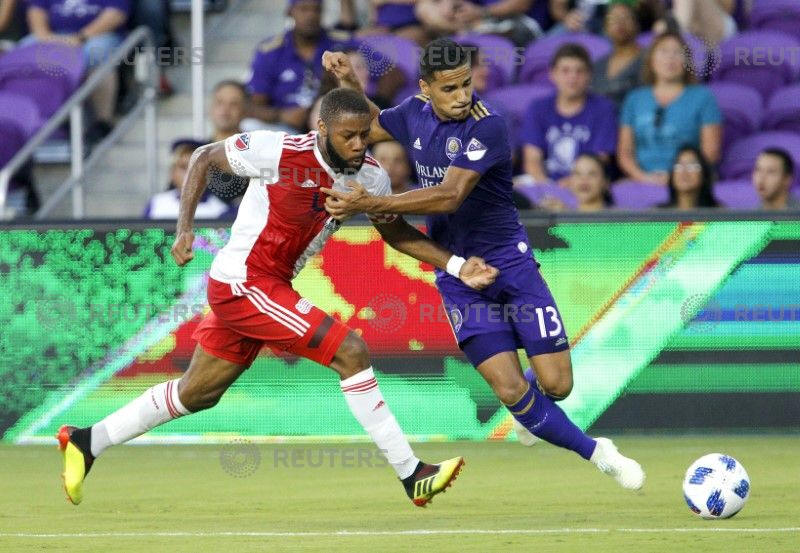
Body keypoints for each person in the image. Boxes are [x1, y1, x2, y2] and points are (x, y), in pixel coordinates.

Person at [57, 88, 502, 507]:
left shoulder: (370, 177)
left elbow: (397, 234)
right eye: (348, 136)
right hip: (243, 281)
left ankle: (86, 441)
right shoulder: (278, 151)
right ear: (323, 129)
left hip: (268, 287)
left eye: (364, 135)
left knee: (198, 393)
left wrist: (457, 265)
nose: (358, 145)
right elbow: (203, 157)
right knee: (350, 351)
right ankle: (412, 474)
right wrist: (184, 228)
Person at [322, 38, 645, 490]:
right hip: (458, 273)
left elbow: (450, 195)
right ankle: (599, 453)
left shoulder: (487, 125)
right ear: (425, 89)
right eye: (449, 88)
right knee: (509, 390)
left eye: (466, 84)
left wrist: (373, 202)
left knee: (557, 385)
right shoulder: (413, 113)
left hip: (510, 265)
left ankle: (536, 405)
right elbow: (372, 124)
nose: (462, 96)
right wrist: (348, 81)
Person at [617, 31, 722, 186]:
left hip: (688, 181)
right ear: (651, 60)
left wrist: (676, 177)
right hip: (641, 180)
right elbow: (625, 153)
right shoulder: (634, 99)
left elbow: (710, 152)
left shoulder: (703, 97)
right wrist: (643, 178)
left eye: (677, 52)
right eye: (663, 51)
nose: (670, 58)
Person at [24, 0, 129, 142]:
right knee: (23, 53)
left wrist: (80, 37)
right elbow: (36, 11)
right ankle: (29, 121)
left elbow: (116, 14)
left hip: (97, 35)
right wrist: (46, 38)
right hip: (52, 35)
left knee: (94, 54)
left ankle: (102, 122)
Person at [245, 0, 352, 133]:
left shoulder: (341, 43)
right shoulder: (270, 50)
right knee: (249, 126)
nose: (311, 15)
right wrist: (282, 115)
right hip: (284, 129)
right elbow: (254, 104)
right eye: (304, 9)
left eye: (316, 9)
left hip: (333, 123)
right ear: (289, 12)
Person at [521, 44, 618, 185]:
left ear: (589, 75)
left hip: (586, 184)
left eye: (580, 71)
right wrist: (548, 188)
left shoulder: (603, 109)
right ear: (552, 74)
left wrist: (569, 185)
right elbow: (532, 160)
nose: (573, 77)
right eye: (565, 71)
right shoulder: (538, 108)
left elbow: (600, 160)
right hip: (545, 185)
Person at [143, 140, 234, 220]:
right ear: (172, 173)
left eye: (196, 168)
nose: (190, 174)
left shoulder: (221, 211)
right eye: (183, 167)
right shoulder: (155, 204)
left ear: (208, 174)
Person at [591, 1, 643, 108]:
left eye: (626, 17)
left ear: (636, 24)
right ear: (606, 28)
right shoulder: (597, 65)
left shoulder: (648, 60)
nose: (620, 23)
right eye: (614, 19)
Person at [660, 145, 717, 210]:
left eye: (692, 166)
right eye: (679, 166)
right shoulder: (657, 213)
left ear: (704, 174)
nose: (684, 172)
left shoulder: (720, 214)